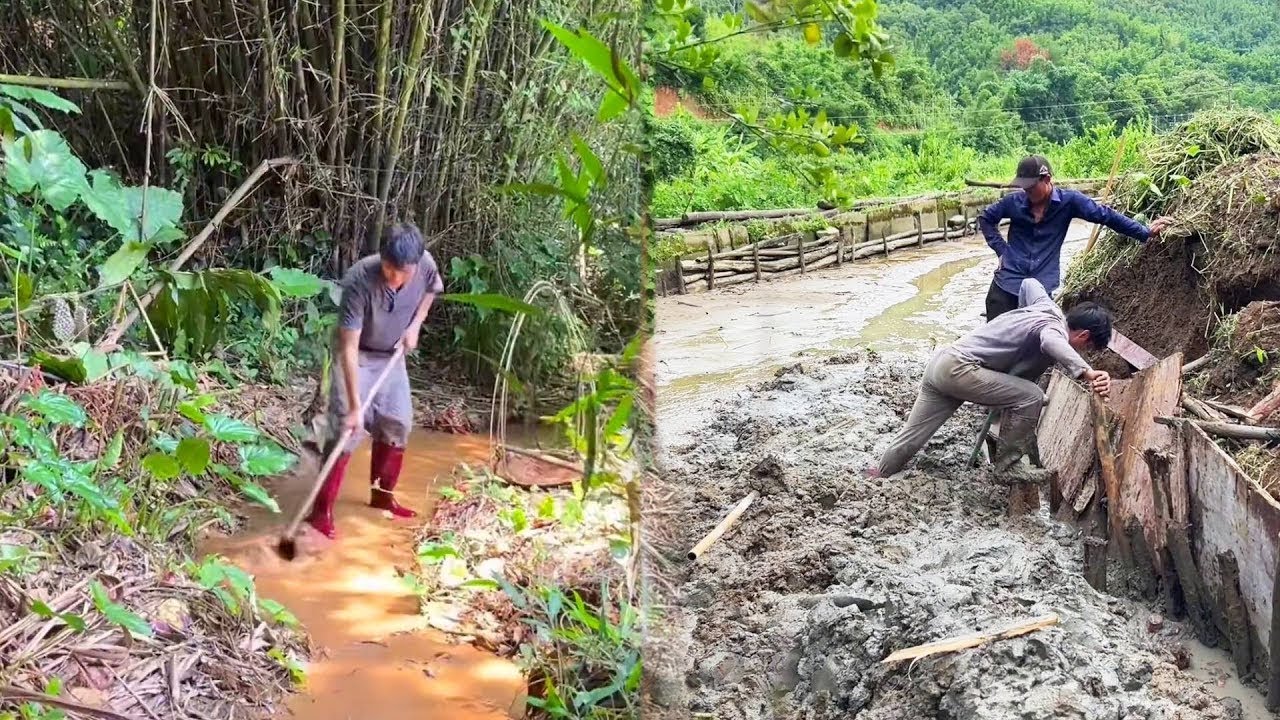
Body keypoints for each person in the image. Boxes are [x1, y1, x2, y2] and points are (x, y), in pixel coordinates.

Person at [866, 277, 1112, 480]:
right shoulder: (1054, 329)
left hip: (942, 364)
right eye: (1086, 349)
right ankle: (1008, 467)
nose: (1082, 352)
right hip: (962, 370)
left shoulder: (1045, 306)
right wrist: (1086, 371)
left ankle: (881, 473)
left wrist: (1023, 316)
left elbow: (1029, 283)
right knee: (1031, 396)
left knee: (913, 435)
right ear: (1084, 336)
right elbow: (1051, 341)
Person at [306, 222, 444, 539]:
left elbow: (431, 291)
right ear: (380, 257)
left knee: (398, 422)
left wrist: (416, 325)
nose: (394, 277)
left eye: (402, 273)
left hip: (391, 355)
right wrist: (355, 407)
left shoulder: (425, 265)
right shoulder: (359, 279)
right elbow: (349, 348)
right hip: (358, 356)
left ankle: (382, 496)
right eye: (389, 269)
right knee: (346, 429)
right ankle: (321, 512)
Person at [978, 154, 1172, 322]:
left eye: (1031, 187)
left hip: (1040, 288)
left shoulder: (1069, 202)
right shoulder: (1013, 202)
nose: (1027, 192)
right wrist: (1002, 250)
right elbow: (986, 218)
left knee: (1035, 345)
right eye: (1024, 188)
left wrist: (1144, 232)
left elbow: (1107, 216)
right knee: (993, 344)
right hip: (1006, 286)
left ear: (1047, 179)